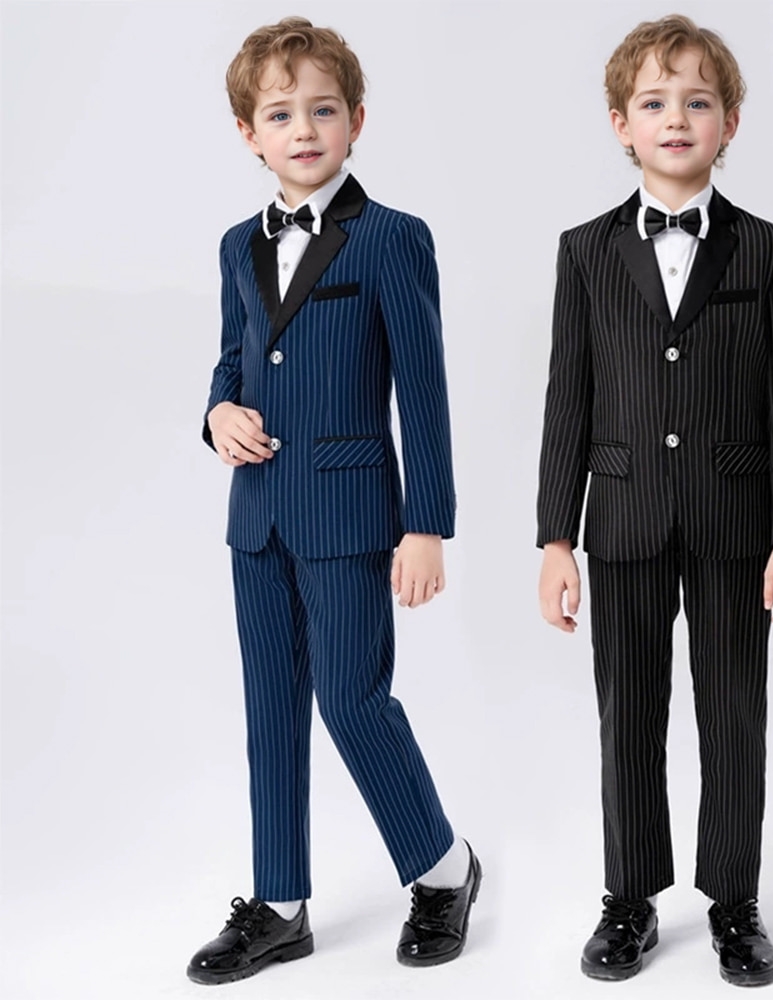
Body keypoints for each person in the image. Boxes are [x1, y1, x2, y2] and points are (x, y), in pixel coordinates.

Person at [187, 17, 479, 985]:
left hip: (351, 516)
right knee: (270, 710)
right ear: (249, 133)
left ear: (356, 119)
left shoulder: (393, 238)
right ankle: (279, 906)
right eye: (280, 114)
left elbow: (423, 392)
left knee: (352, 700)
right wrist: (218, 414)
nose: (303, 129)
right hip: (257, 516)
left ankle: (443, 869)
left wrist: (426, 522)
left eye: (322, 110)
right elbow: (233, 360)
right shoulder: (237, 245)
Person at [536, 14, 773, 987]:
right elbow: (567, 399)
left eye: (697, 101)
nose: (675, 118)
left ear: (729, 121)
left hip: (736, 522)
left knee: (734, 715)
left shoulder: (767, 250)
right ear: (620, 122)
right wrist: (554, 537)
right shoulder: (585, 251)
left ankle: (734, 903)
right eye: (653, 102)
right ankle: (628, 898)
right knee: (627, 717)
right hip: (620, 520)